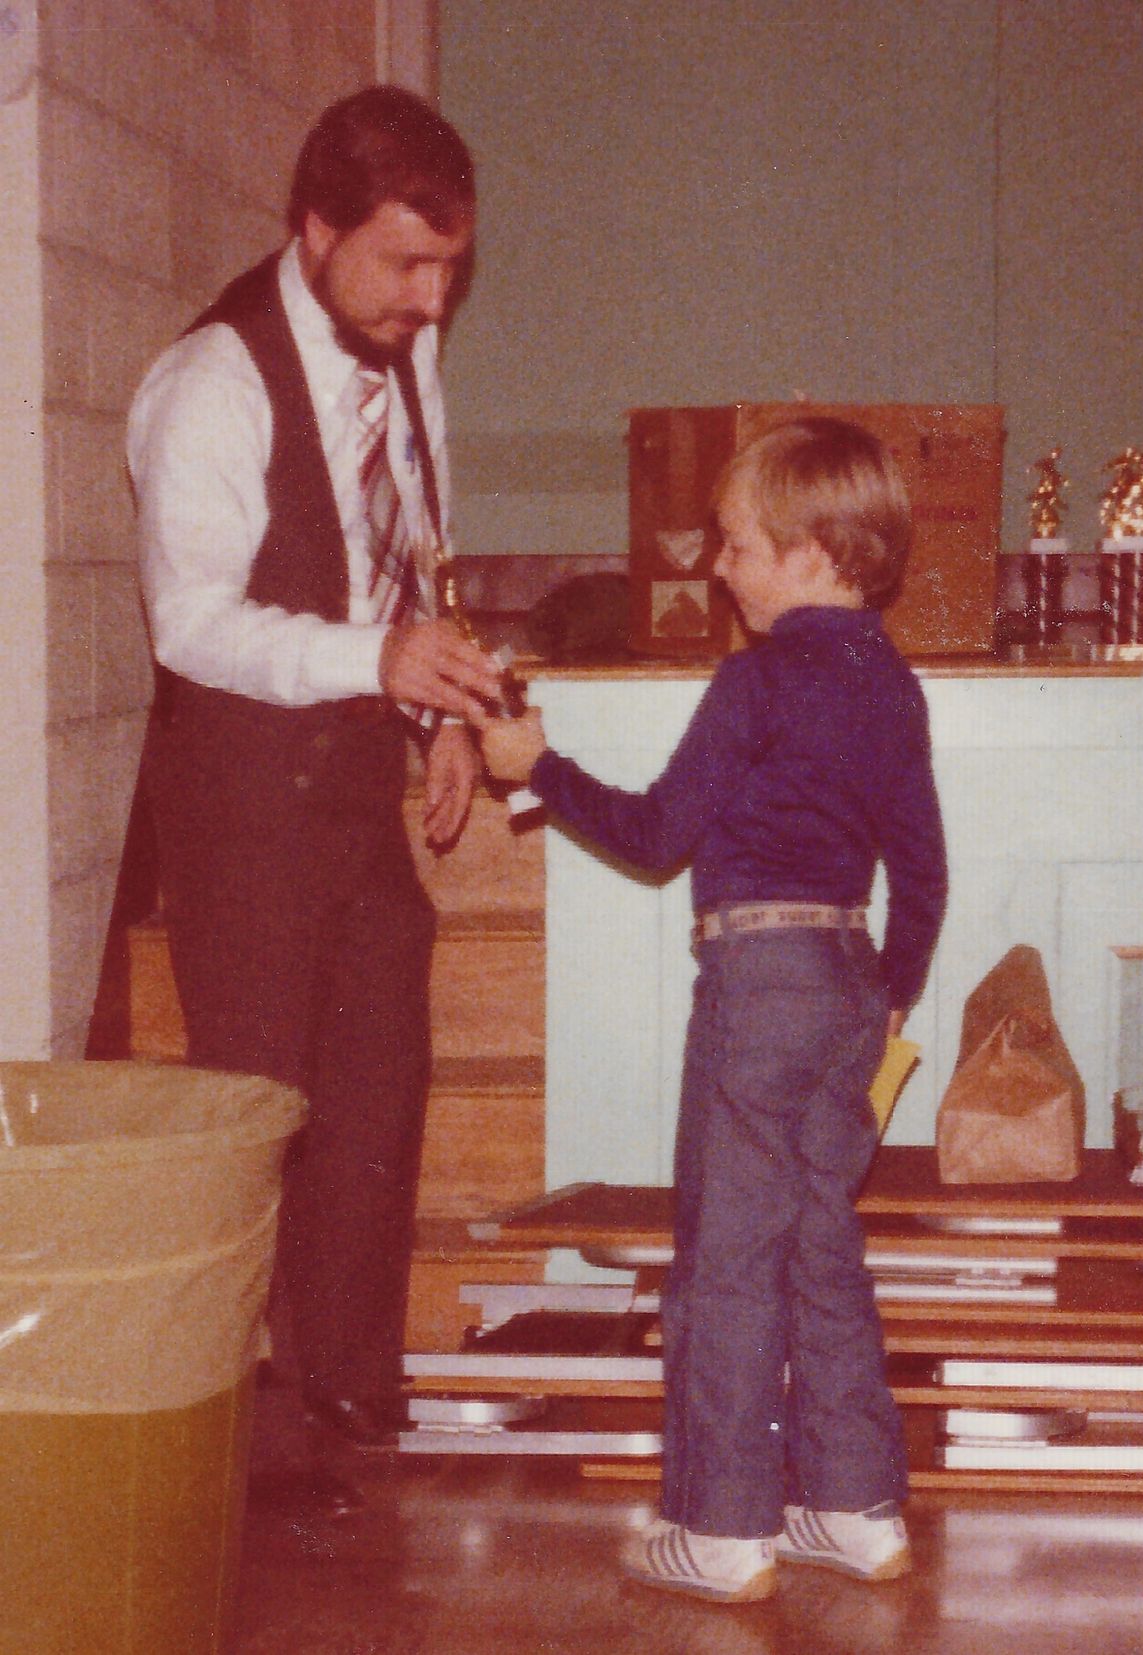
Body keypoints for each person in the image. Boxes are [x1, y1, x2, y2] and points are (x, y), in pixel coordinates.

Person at [481, 417, 947, 1601]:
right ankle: (853, 1504)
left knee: (727, 1262)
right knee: (820, 1250)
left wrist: (537, 766)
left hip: (756, 985)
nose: (717, 566)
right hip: (850, 983)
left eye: (735, 543)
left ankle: (722, 1525)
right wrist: (881, 1005)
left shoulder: (754, 679)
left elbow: (651, 833)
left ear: (805, 549)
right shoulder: (892, 686)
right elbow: (926, 875)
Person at [127, 86, 503, 1515]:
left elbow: (405, 542)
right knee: (263, 1105)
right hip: (235, 796)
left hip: (352, 774)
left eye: (450, 271)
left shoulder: (403, 350)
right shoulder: (208, 384)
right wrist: (377, 657)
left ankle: (352, 1377)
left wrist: (429, 709)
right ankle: (261, 1428)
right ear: (316, 227)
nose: (430, 298)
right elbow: (194, 625)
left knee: (374, 1090)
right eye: (406, 264)